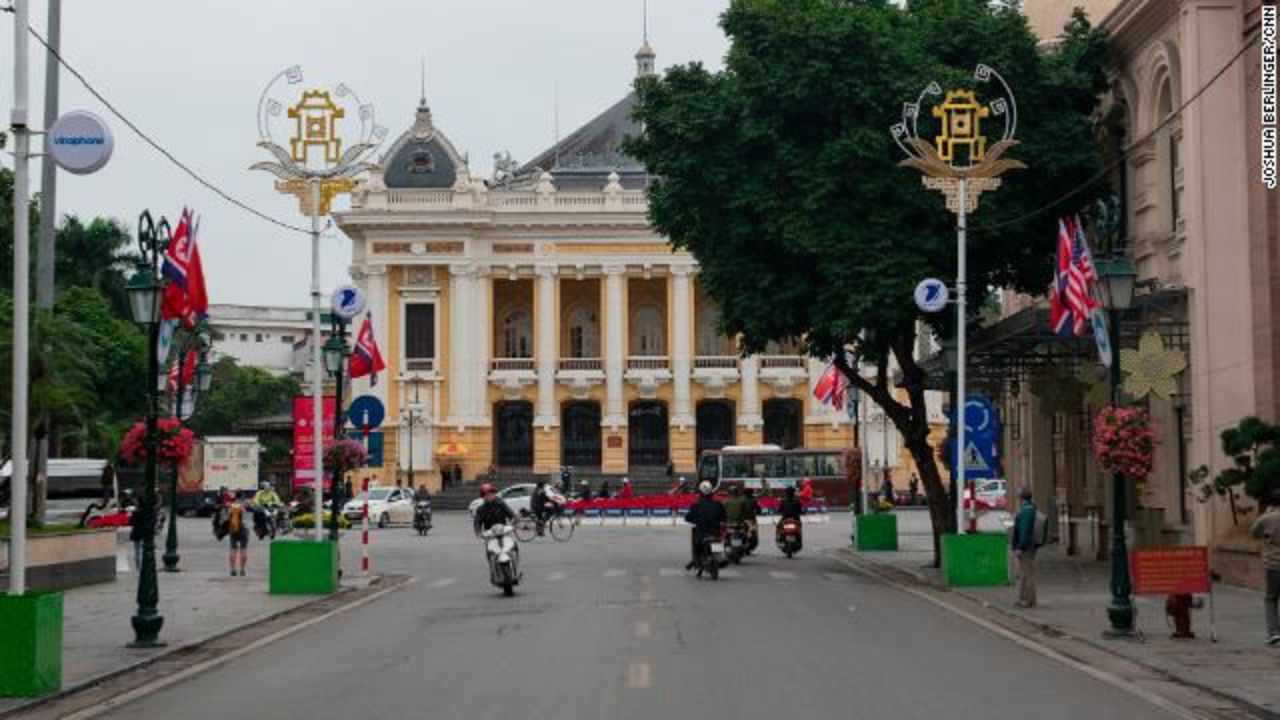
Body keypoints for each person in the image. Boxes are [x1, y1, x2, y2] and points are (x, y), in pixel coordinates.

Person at [1250, 488, 1280, 645]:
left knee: (1271, 599)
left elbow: (1254, 532)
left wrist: (1266, 514)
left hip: (1273, 565)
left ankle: (1274, 633)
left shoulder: (1267, 518)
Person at [684, 481, 727, 572]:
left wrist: (692, 519)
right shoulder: (718, 504)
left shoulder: (697, 504)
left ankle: (695, 560)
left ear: (700, 492)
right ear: (711, 492)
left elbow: (688, 517)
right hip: (715, 532)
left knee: (696, 543)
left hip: (702, 532)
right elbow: (724, 517)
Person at [1011, 485, 1038, 608]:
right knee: (1024, 573)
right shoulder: (1030, 508)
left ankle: (1029, 600)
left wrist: (1020, 547)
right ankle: (1024, 598)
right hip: (1028, 546)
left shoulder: (1026, 511)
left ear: (1021, 497)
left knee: (1027, 574)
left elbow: (1024, 531)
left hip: (1026, 547)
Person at [226, 491, 250, 577]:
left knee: (233, 550)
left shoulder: (231, 505)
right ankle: (242, 570)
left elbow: (227, 517)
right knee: (243, 550)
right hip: (244, 529)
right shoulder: (245, 504)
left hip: (233, 529)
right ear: (242, 496)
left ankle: (233, 570)